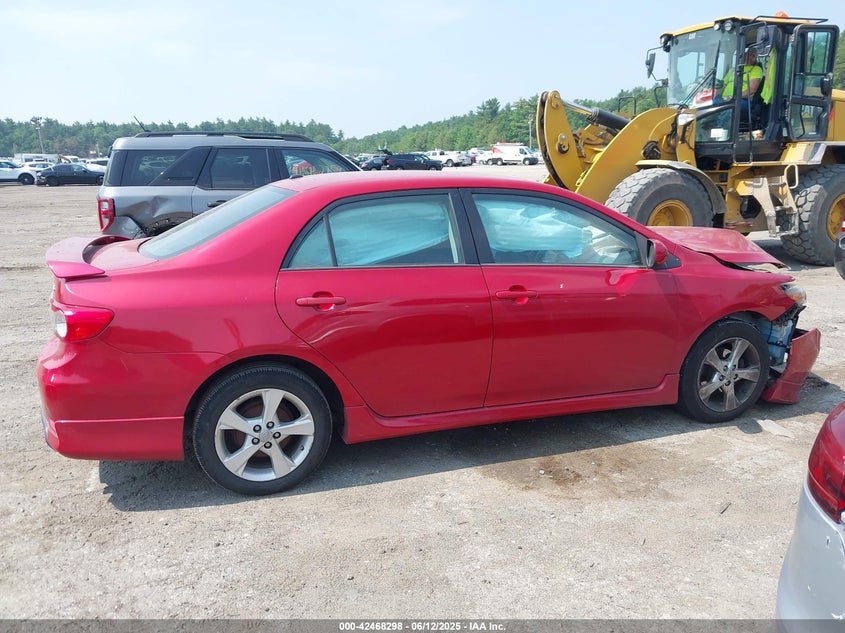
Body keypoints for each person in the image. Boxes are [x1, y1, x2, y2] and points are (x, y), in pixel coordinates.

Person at [720, 47, 764, 120]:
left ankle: (720, 129)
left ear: (755, 58)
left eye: (753, 56)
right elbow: (722, 86)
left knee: (729, 109)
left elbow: (752, 89)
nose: (749, 57)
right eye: (748, 55)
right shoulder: (733, 70)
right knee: (710, 103)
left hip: (742, 100)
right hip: (725, 99)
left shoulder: (756, 69)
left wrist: (734, 97)